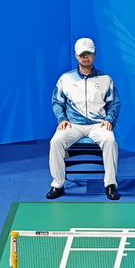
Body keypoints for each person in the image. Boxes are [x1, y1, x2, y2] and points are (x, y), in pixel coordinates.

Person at [46, 37, 122, 200]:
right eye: (82, 54)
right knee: (56, 141)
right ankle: (57, 184)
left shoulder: (105, 79)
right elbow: (57, 101)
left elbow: (114, 103)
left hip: (98, 125)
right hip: (73, 124)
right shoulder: (66, 78)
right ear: (76, 55)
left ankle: (110, 185)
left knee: (110, 140)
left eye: (89, 53)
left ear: (95, 54)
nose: (85, 57)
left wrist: (109, 119)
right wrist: (62, 119)